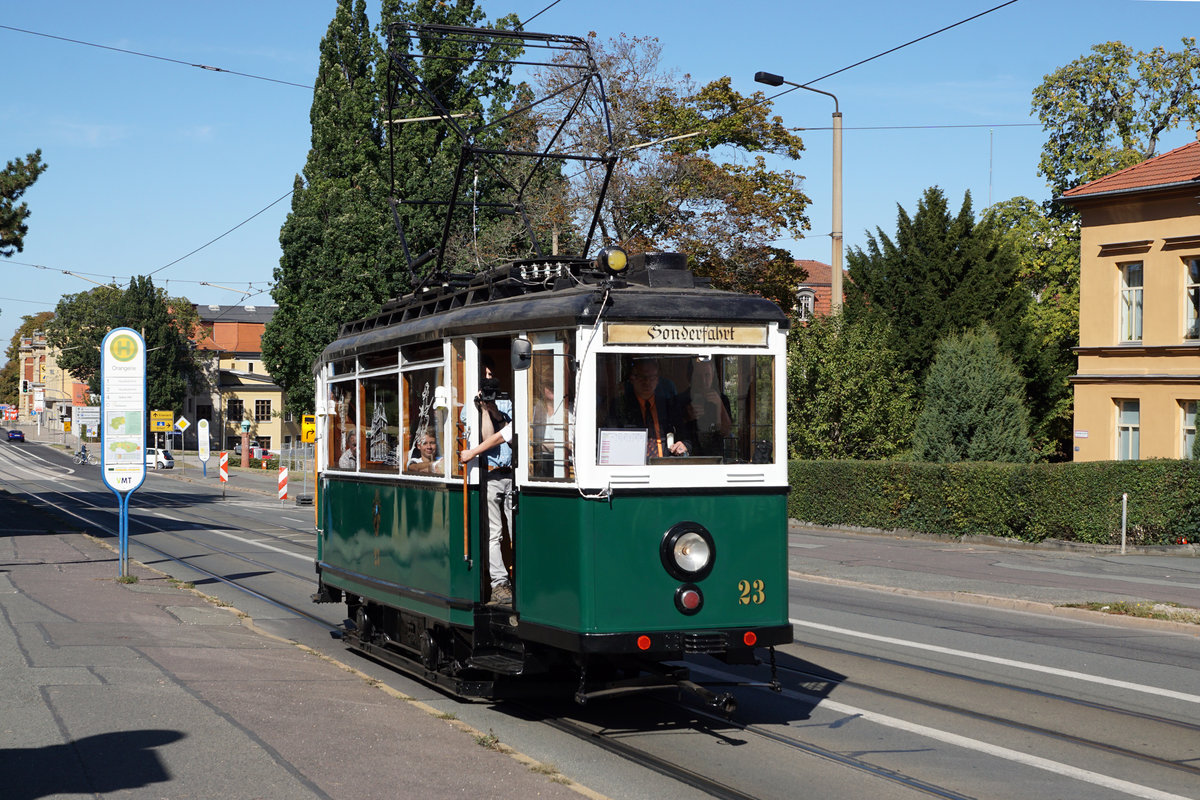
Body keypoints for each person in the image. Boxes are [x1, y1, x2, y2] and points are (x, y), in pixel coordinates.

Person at [459, 358, 515, 604]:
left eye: (491, 376)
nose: (489, 381)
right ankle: (499, 584)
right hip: (490, 475)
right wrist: (483, 410)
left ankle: (519, 578)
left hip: (511, 474)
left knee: (516, 530)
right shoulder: (468, 409)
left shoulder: (508, 403)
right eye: (484, 378)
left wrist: (494, 409)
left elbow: (510, 436)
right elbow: (488, 437)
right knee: (495, 534)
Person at [605, 358, 690, 459]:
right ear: (633, 379)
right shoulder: (620, 406)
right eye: (642, 377)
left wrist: (684, 445)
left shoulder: (669, 404)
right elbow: (610, 442)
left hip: (666, 465)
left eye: (652, 378)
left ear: (658, 380)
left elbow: (686, 437)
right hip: (632, 465)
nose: (647, 382)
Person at [676, 358, 732, 457]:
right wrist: (686, 417)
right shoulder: (681, 400)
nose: (703, 381)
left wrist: (720, 405)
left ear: (712, 376)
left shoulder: (721, 399)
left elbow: (726, 432)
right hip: (688, 457)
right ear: (690, 377)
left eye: (707, 375)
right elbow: (672, 431)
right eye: (698, 376)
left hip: (716, 457)